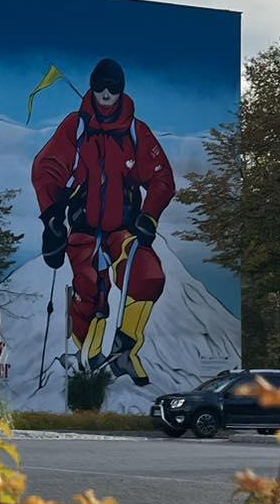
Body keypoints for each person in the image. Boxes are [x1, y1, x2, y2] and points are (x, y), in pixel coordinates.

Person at [31, 58, 174, 384]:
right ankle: (89, 354)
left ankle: (125, 348)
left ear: (121, 90)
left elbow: (161, 177)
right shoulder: (77, 127)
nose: (106, 94)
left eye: (113, 88)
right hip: (84, 227)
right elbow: (48, 168)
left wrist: (149, 215)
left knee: (148, 275)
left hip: (124, 227)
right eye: (100, 87)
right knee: (90, 291)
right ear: (93, 88)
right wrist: (52, 217)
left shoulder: (136, 132)